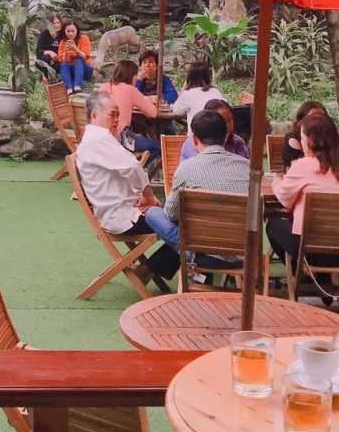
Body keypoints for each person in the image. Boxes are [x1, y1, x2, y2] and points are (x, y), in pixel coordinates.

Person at [75, 91, 179, 284]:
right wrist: (148, 195)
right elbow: (132, 166)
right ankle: (152, 268)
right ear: (94, 116)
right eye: (112, 115)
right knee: (188, 225)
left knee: (183, 221)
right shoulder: (97, 139)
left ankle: (149, 268)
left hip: (123, 209)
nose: (117, 120)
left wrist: (140, 196)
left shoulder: (96, 138)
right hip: (122, 217)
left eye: (118, 115)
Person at [165, 109, 251, 281]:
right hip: (245, 253)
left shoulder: (187, 167)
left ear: (194, 138)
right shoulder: (247, 166)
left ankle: (156, 267)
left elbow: (171, 214)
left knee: (154, 214)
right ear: (225, 136)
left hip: (202, 253)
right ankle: (156, 267)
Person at [267, 114, 339, 265]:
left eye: (302, 138)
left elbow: (283, 197)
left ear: (311, 140)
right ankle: (320, 277)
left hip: (312, 251)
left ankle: (299, 273)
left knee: (273, 224)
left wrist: (276, 181)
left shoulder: (303, 165)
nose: (301, 142)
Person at [98, 58, 160, 164]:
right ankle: (134, 166)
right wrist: (147, 100)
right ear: (132, 76)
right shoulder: (131, 90)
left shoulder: (103, 87)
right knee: (157, 145)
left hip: (102, 137)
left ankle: (130, 164)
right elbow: (153, 113)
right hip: (122, 138)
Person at [177, 99, 250, 161]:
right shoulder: (196, 142)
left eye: (229, 120)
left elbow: (245, 166)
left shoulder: (238, 142)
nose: (227, 126)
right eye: (221, 121)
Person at [281, 100, 329, 168]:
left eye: (321, 116)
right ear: (301, 119)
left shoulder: (327, 139)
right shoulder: (294, 140)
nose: (317, 120)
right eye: (312, 117)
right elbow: (300, 168)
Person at [56, 19, 92, 92]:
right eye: (68, 31)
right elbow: (64, 61)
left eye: (73, 31)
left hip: (85, 69)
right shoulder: (62, 43)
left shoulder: (84, 38)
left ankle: (77, 86)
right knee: (63, 65)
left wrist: (75, 49)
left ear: (77, 30)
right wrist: (66, 52)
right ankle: (68, 88)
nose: (71, 33)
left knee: (78, 60)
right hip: (71, 70)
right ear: (64, 31)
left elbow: (84, 56)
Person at [34, 13, 65, 79]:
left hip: (58, 60)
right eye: (54, 23)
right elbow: (38, 50)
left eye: (58, 23)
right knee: (46, 58)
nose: (56, 25)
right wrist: (50, 52)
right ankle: (45, 77)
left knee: (61, 66)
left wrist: (56, 58)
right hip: (45, 59)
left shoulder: (64, 34)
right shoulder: (45, 33)